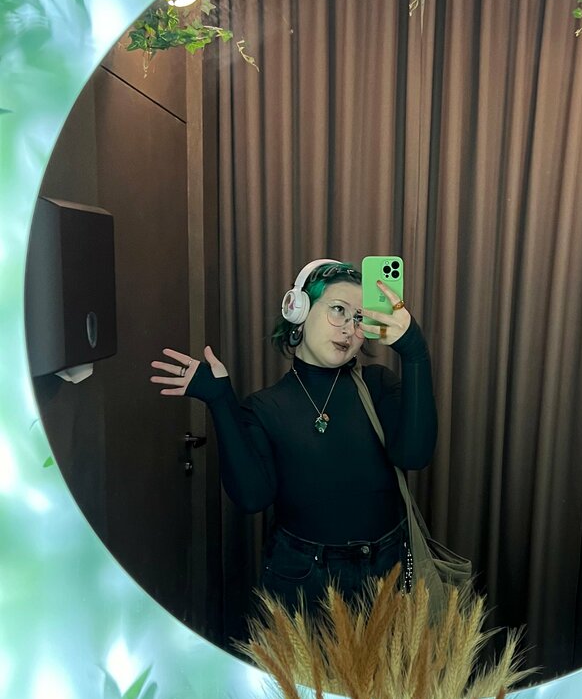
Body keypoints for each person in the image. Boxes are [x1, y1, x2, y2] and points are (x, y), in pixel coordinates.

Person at [150, 259, 437, 619]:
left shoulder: (378, 385)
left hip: (389, 569)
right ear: (298, 310)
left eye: (359, 318)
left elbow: (414, 456)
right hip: (303, 576)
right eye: (338, 309)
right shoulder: (264, 407)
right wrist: (221, 401)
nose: (349, 328)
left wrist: (414, 351)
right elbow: (253, 497)